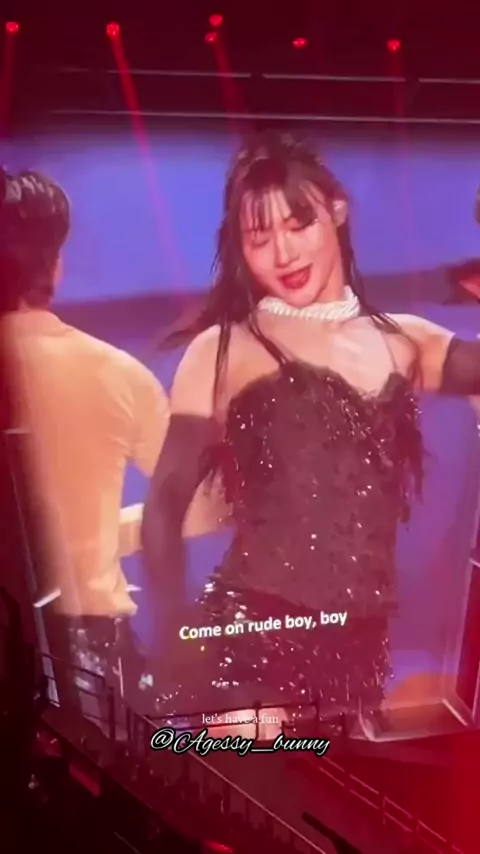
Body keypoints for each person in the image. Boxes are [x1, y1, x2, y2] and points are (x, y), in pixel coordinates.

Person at [141, 132, 480, 737]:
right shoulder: (223, 350)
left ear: (337, 211)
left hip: (358, 659)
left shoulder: (405, 341)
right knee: (265, 793)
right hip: (254, 643)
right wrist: (174, 641)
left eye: (299, 224)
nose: (283, 253)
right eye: (259, 238)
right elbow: (164, 507)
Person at [0, 167, 187, 710]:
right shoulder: (115, 373)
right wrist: (99, 532)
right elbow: (196, 505)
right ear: (54, 265)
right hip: (89, 662)